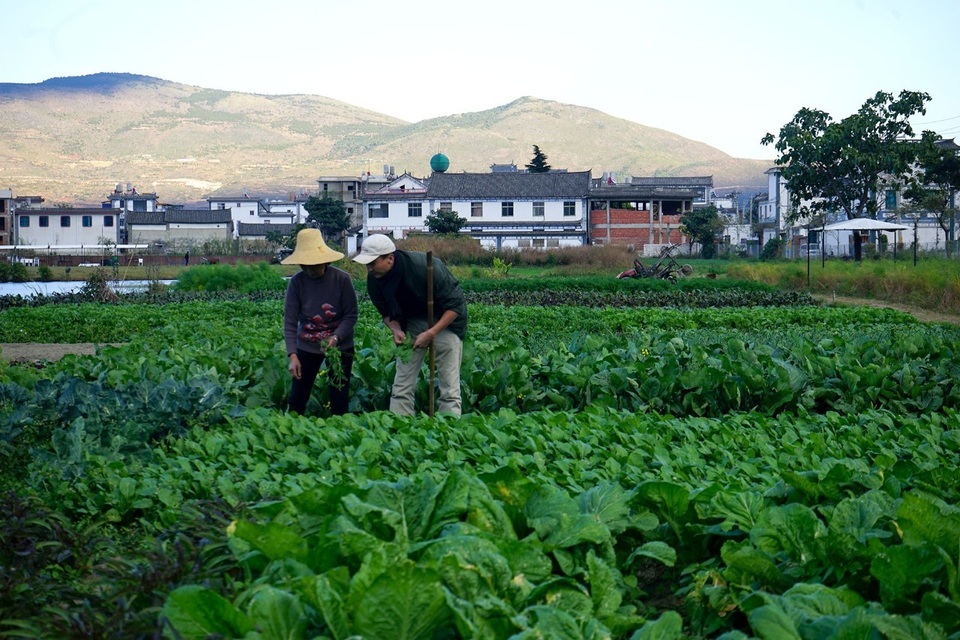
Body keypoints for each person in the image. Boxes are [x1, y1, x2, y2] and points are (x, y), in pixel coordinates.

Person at [352, 234, 467, 416]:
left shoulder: (425, 266)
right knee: (402, 382)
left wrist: (431, 333)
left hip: (445, 322)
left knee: (449, 384)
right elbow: (386, 312)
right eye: (367, 264)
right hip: (411, 321)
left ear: (390, 258)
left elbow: (456, 306)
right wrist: (396, 329)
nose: (369, 268)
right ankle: (401, 424)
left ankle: (449, 424)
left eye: (372, 263)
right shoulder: (374, 278)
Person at [282, 228, 358, 416]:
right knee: (297, 397)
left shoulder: (341, 279)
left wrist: (335, 337)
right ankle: (292, 426)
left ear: (324, 261)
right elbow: (290, 322)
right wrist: (293, 355)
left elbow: (351, 315)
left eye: (314, 265)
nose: (310, 270)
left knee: (339, 394)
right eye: (305, 265)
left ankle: (340, 427)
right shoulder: (297, 283)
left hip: (339, 346)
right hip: (307, 345)